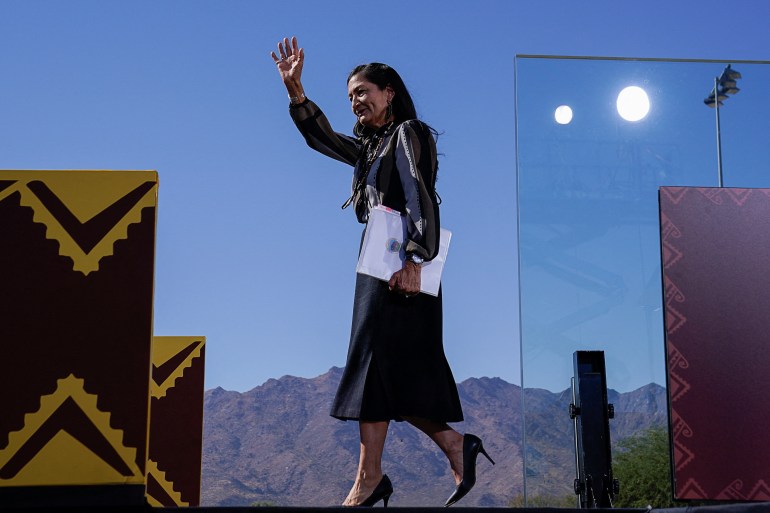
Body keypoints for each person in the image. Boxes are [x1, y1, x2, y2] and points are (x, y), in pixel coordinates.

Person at [271, 36, 493, 508]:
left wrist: (417, 258)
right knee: (381, 372)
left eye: (362, 91)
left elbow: (420, 194)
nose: (355, 101)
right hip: (377, 266)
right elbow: (322, 138)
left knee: (382, 368)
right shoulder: (371, 148)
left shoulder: (408, 134)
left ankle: (375, 477)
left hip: (404, 265)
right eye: (350, 95)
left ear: (388, 92)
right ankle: (438, 452)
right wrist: (295, 92)